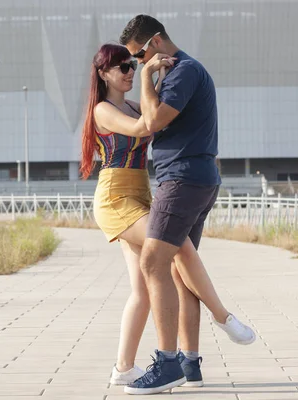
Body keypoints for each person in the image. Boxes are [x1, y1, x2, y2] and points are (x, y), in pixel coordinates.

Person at [80, 43, 255, 392]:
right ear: (102, 74)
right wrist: (149, 76)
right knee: (180, 249)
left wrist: (157, 82)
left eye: (132, 65)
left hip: (141, 193)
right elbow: (147, 125)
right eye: (120, 67)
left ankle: (123, 368)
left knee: (143, 289)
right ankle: (223, 317)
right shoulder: (102, 110)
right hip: (116, 198)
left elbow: (155, 110)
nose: (128, 72)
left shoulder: (130, 103)